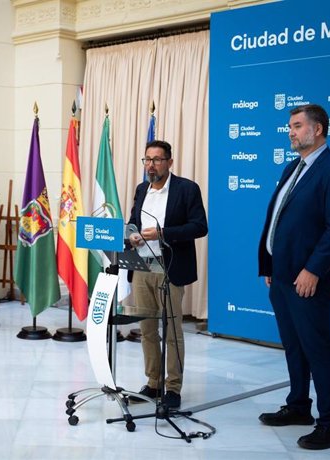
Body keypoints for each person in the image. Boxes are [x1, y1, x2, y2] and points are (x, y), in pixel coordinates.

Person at [258, 104, 330, 450]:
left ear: (317, 130)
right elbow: (280, 219)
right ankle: (299, 405)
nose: (291, 132)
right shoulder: (292, 168)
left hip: (309, 279)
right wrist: (269, 265)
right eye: (290, 126)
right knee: (294, 346)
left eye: (297, 126)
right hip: (281, 277)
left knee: (318, 349)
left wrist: (313, 269)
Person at [126, 139, 208, 409]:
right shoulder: (141, 189)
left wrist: (163, 234)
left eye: (157, 160)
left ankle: (173, 388)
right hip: (142, 268)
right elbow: (133, 222)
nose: (151, 165)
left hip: (170, 266)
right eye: (147, 160)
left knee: (172, 330)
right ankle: (153, 382)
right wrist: (130, 235)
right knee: (147, 329)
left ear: (169, 162)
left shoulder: (186, 189)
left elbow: (199, 226)